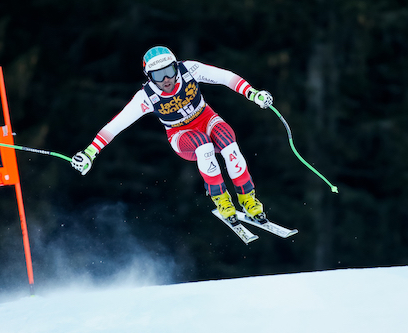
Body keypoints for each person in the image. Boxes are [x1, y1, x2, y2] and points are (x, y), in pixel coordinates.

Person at [71, 46, 273, 222]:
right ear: (149, 77)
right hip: (181, 135)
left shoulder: (189, 70)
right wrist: (90, 152)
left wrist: (253, 94)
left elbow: (225, 77)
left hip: (206, 118)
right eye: (158, 75)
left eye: (169, 71)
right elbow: (116, 125)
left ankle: (248, 198)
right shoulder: (147, 96)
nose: (166, 79)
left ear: (176, 66)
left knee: (229, 143)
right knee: (204, 146)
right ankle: (222, 200)